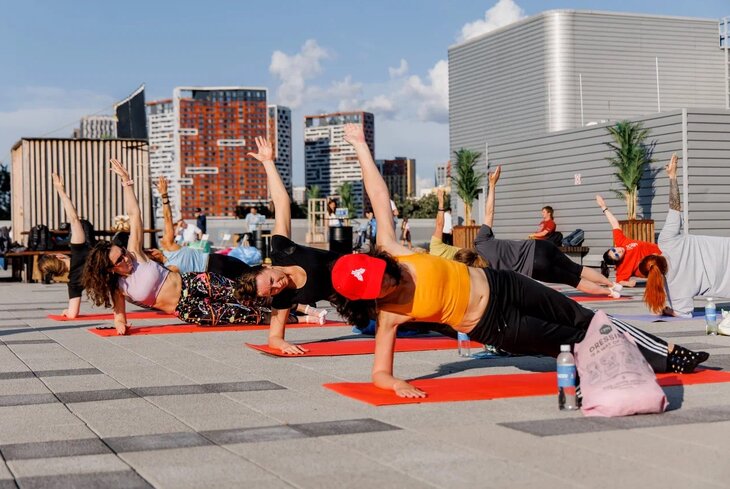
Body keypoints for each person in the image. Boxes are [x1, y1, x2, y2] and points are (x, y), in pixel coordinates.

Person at [329, 123, 707, 398]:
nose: (388, 282)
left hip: (504, 283)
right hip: (498, 324)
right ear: (366, 297)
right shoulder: (390, 315)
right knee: (576, 340)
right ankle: (661, 363)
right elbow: (379, 372)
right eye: (378, 287)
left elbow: (378, 195)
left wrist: (361, 146)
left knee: (587, 318)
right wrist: (393, 382)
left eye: (383, 275)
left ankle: (668, 351)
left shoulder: (394, 250)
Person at [81, 158, 291, 335]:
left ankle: (298, 306)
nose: (126, 258)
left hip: (193, 282)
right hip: (185, 307)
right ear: (110, 269)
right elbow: (119, 315)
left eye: (123, 253)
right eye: (120, 260)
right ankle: (291, 318)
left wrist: (127, 183)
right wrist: (120, 325)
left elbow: (135, 215)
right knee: (243, 315)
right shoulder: (118, 288)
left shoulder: (136, 254)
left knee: (245, 293)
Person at [235, 137, 336, 354]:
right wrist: (281, 344)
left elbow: (281, 203)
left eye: (271, 280)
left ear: (266, 266)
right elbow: (274, 338)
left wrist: (268, 162)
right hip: (354, 300)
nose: (277, 286)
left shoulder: (281, 249)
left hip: (354, 267)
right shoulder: (283, 298)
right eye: (270, 291)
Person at [473, 166, 621, 298]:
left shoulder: (485, 273)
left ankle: (611, 293)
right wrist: (492, 185)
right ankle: (612, 284)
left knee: (574, 280)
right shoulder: (480, 242)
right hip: (538, 247)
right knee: (577, 269)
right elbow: (489, 212)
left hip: (535, 267)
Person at [638, 155, 730, 317]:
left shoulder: (675, 288)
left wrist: (667, 310)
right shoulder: (667, 241)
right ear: (654, 255)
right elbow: (675, 207)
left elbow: (684, 314)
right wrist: (672, 177)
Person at [37, 174, 93, 318]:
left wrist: (67, 311)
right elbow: (74, 219)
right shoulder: (77, 248)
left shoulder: (73, 283)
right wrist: (60, 190)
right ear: (59, 256)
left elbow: (73, 314)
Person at [596, 195, 662, 288]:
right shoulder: (623, 265)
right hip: (657, 264)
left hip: (662, 249)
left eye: (614, 250)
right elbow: (619, 281)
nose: (618, 251)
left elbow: (614, 224)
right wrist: (627, 283)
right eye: (617, 255)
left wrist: (603, 207)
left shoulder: (620, 242)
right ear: (618, 261)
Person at [429, 188, 460, 260]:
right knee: (449, 244)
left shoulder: (434, 248)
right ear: (450, 210)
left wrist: (440, 203)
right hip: (447, 232)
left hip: (443, 231)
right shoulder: (448, 215)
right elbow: (440, 224)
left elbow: (439, 224)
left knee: (444, 243)